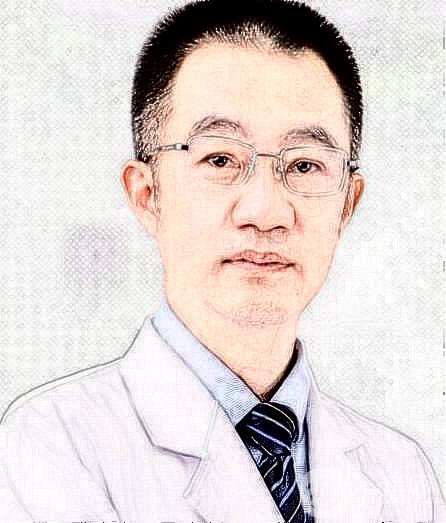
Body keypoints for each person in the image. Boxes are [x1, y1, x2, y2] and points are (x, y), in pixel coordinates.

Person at [0, 0, 444, 521]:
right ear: (147, 194)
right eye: (219, 159)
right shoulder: (50, 446)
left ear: (348, 203)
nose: (265, 212)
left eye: (305, 165)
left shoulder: (401, 473)